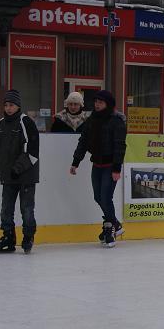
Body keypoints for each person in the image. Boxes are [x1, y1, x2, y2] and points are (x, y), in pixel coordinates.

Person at [69, 90, 127, 247]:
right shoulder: (92, 119)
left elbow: (119, 146)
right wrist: (76, 161)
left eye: (100, 102)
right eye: (96, 102)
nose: (97, 104)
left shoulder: (117, 121)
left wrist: (116, 169)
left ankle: (110, 228)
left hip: (110, 166)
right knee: (98, 197)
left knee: (105, 197)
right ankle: (115, 224)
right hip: (97, 165)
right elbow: (84, 141)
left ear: (108, 104)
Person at [0, 89, 39, 254]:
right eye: (6, 105)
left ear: (18, 106)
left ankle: (28, 236)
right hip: (8, 176)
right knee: (6, 209)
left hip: (26, 175)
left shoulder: (26, 123)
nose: (8, 108)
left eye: (11, 105)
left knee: (26, 209)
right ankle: (8, 237)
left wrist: (17, 169)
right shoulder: (1, 124)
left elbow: (32, 152)